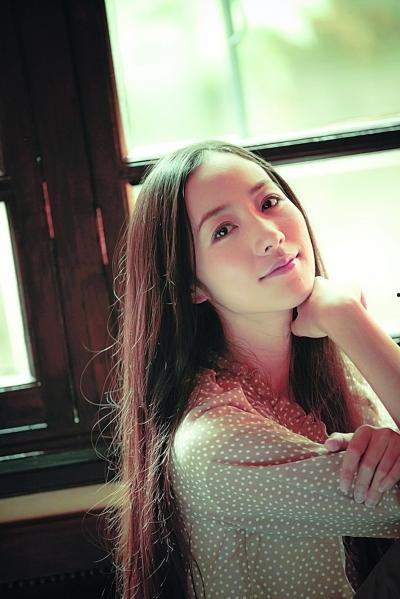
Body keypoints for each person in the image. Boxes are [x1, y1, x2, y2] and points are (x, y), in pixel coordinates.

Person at [105, 140, 400, 599]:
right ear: (190, 285)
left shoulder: (324, 370)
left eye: (268, 202)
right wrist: (346, 315)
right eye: (223, 230)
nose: (269, 235)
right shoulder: (215, 440)